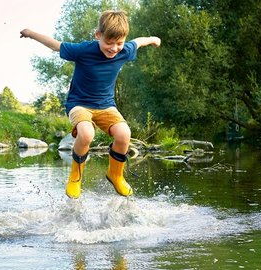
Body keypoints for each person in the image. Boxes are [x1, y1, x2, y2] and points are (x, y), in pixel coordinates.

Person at [20, 10, 160, 199]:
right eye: (109, 43)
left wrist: (152, 39)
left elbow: (138, 41)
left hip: (106, 105)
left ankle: (115, 175)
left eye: (119, 43)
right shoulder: (84, 50)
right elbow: (55, 45)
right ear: (98, 35)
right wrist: (30, 33)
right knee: (87, 133)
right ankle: (76, 177)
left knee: (124, 133)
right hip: (79, 104)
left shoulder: (124, 50)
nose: (114, 48)